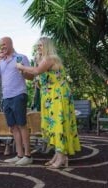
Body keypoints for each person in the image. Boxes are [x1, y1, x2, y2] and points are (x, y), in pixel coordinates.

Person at [16, 37, 81, 168]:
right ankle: (59, 155)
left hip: (57, 94)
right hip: (49, 96)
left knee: (58, 125)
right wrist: (23, 72)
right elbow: (33, 76)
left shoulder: (50, 58)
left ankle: (61, 156)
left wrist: (21, 66)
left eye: (40, 46)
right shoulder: (42, 60)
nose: (38, 48)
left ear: (47, 46)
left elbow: (36, 71)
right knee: (53, 126)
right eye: (37, 46)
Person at [0, 37, 33, 165]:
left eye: (4, 44)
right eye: (0, 45)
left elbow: (30, 76)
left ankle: (28, 155)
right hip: (6, 97)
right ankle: (19, 155)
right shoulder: (2, 62)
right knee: (13, 127)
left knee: (22, 125)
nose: (2, 47)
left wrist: (23, 71)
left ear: (11, 44)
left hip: (19, 95)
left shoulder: (21, 57)